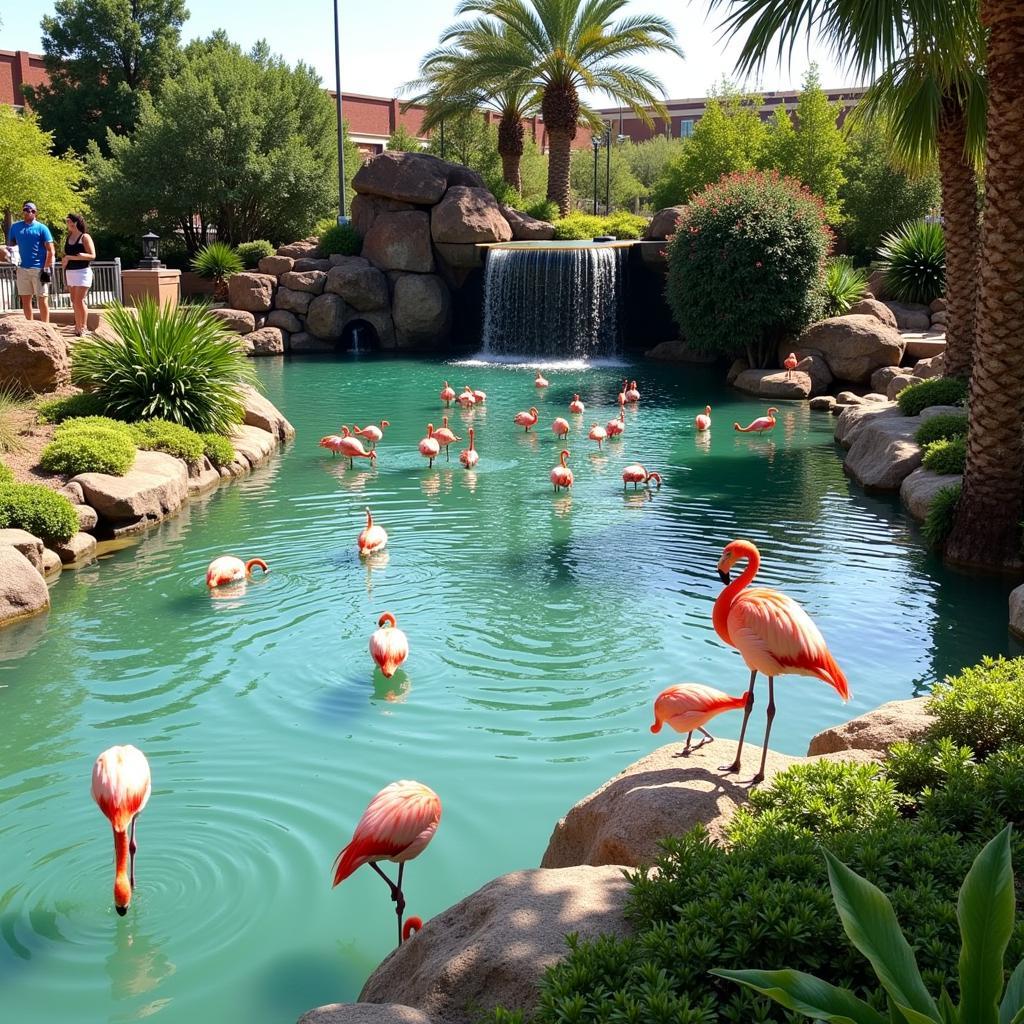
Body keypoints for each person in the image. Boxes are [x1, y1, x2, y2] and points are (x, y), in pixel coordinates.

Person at [5, 202, 55, 322]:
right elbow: (11, 246)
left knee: (42, 298)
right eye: (26, 210)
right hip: (22, 269)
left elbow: (51, 250)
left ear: (35, 212)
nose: (28, 212)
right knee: (25, 299)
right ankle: (30, 326)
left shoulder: (42, 228)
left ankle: (46, 327)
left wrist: (46, 269)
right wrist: (10, 256)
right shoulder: (16, 227)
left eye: (31, 210)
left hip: (39, 268)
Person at [62, 213, 96, 336]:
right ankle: (77, 326)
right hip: (70, 272)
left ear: (76, 222)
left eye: (70, 221)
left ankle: (84, 327)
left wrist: (72, 257)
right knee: (73, 301)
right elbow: (66, 256)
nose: (68, 224)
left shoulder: (85, 237)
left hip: (83, 272)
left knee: (79, 300)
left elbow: (92, 255)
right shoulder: (68, 237)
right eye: (67, 221)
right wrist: (65, 261)